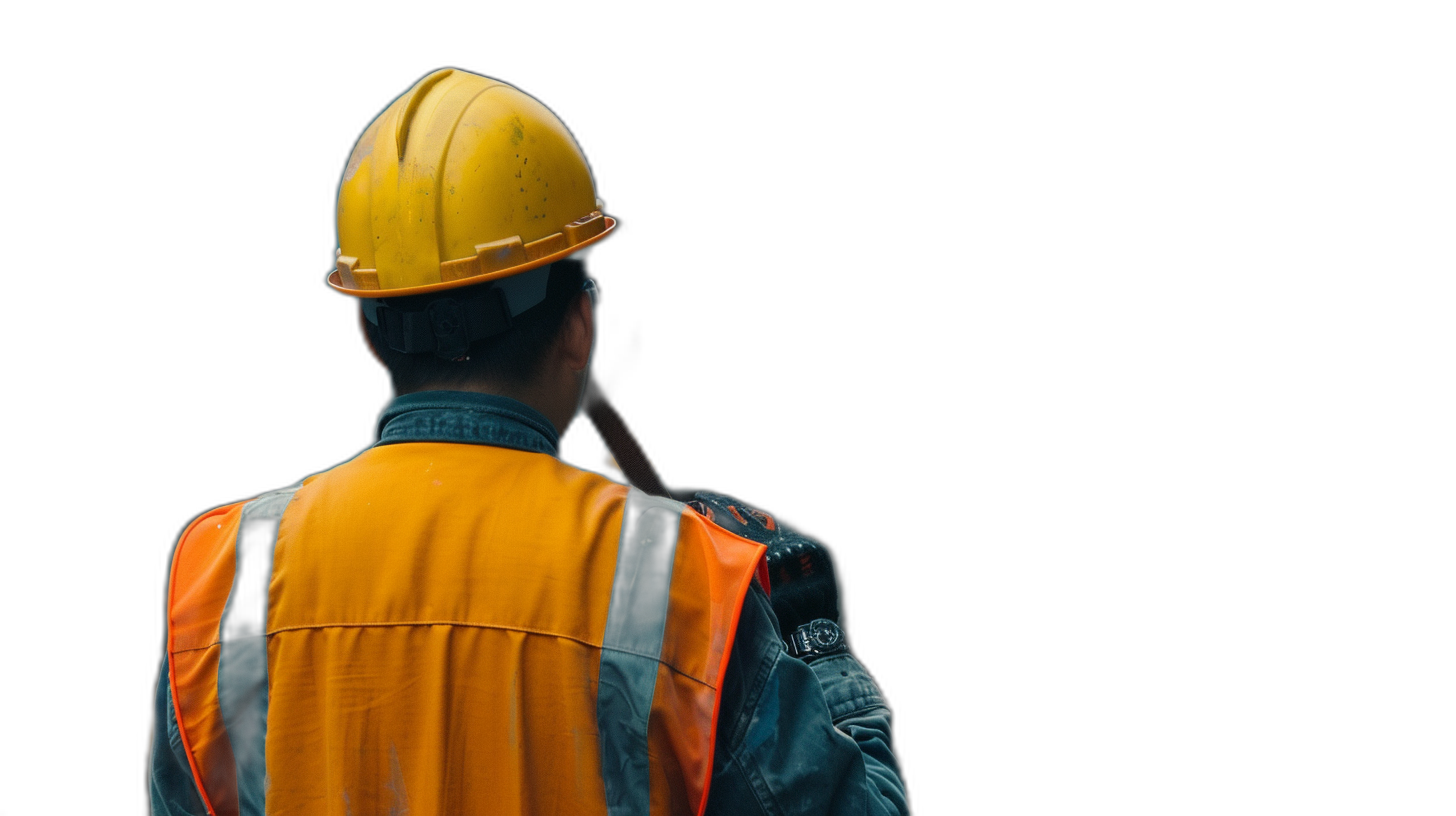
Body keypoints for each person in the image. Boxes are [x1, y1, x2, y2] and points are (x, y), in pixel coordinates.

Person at [149, 68, 909, 816]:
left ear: (369, 330)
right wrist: (816, 644)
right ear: (579, 325)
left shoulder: (226, 580)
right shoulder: (686, 583)